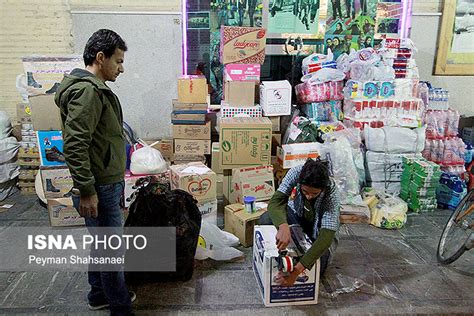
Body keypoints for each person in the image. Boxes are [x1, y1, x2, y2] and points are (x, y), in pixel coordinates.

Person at [54, 29, 135, 315]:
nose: (121, 68)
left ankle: (99, 294)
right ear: (101, 58)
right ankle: (120, 307)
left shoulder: (91, 89)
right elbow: (75, 144)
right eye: (118, 61)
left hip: (103, 183)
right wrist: (86, 190)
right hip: (98, 187)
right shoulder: (87, 91)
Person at [259, 159, 340, 286]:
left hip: (317, 231)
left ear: (322, 189)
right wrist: (283, 226)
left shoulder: (331, 191)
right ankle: (280, 257)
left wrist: (295, 273)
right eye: (305, 192)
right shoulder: (296, 172)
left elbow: (326, 236)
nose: (309, 196)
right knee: (266, 218)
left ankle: (298, 262)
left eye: (314, 193)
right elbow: (276, 202)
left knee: (318, 267)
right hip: (297, 215)